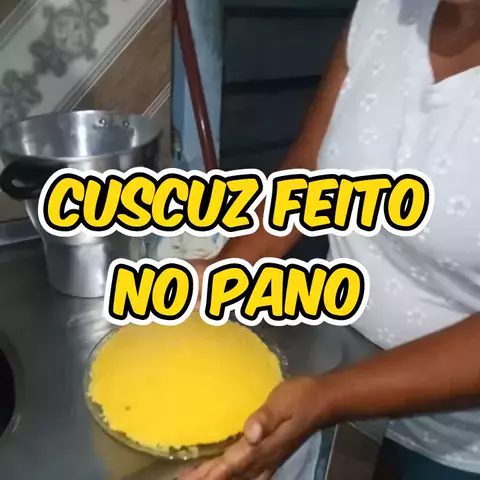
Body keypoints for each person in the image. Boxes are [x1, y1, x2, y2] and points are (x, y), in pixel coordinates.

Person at [180, 0, 480, 478]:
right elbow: (310, 168)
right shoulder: (384, 10)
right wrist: (224, 273)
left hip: (454, 447)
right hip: (333, 372)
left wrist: (328, 398)